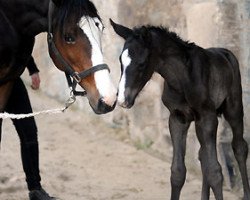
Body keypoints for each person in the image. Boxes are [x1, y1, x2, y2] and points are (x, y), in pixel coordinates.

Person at [4, 56, 55, 200]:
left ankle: (35, 189)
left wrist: (32, 69)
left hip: (11, 81)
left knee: (29, 133)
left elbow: (20, 37)